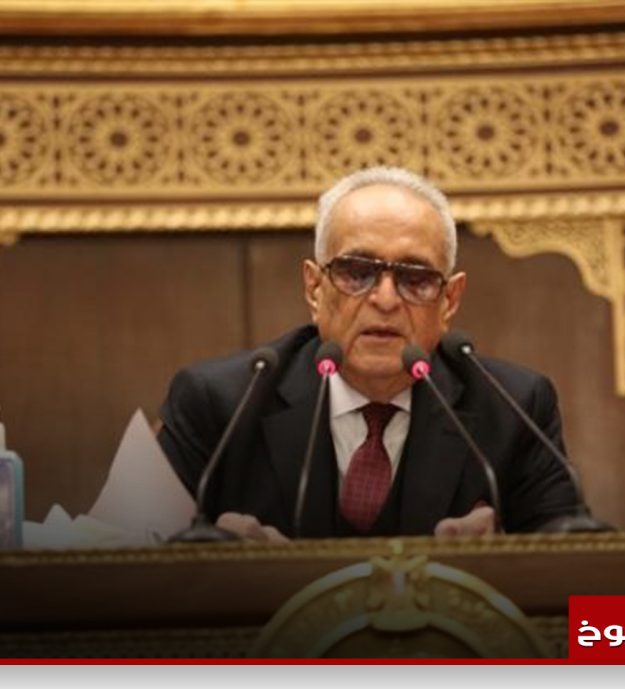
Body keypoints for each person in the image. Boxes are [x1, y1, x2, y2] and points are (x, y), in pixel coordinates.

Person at [158, 166, 582, 541]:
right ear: (314, 288)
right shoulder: (218, 403)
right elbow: (123, 573)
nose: (385, 299)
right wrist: (227, 573)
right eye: (357, 272)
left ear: (449, 300)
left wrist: (498, 568)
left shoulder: (514, 408)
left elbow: (590, 591)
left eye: (415, 278)